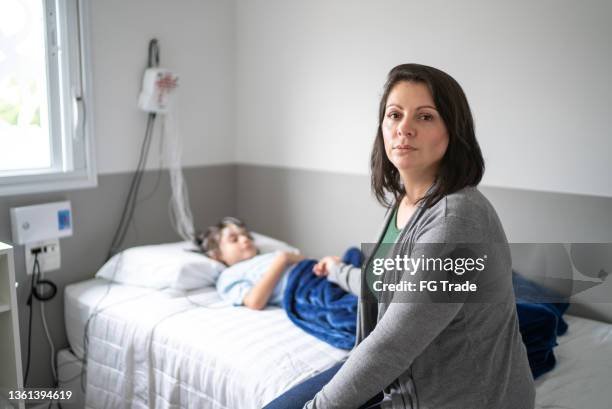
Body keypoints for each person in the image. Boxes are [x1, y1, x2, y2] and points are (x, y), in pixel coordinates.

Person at [264, 64, 535, 409]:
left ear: (453, 131)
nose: (404, 128)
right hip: (403, 383)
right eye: (394, 115)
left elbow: (392, 344)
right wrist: (335, 270)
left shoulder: (458, 217)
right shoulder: (404, 203)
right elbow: (390, 285)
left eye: (425, 117)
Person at [195, 217, 304, 310]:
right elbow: (254, 301)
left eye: (248, 236)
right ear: (217, 255)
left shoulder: (269, 255)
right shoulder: (229, 275)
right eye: (234, 239)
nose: (244, 239)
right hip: (304, 288)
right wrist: (282, 260)